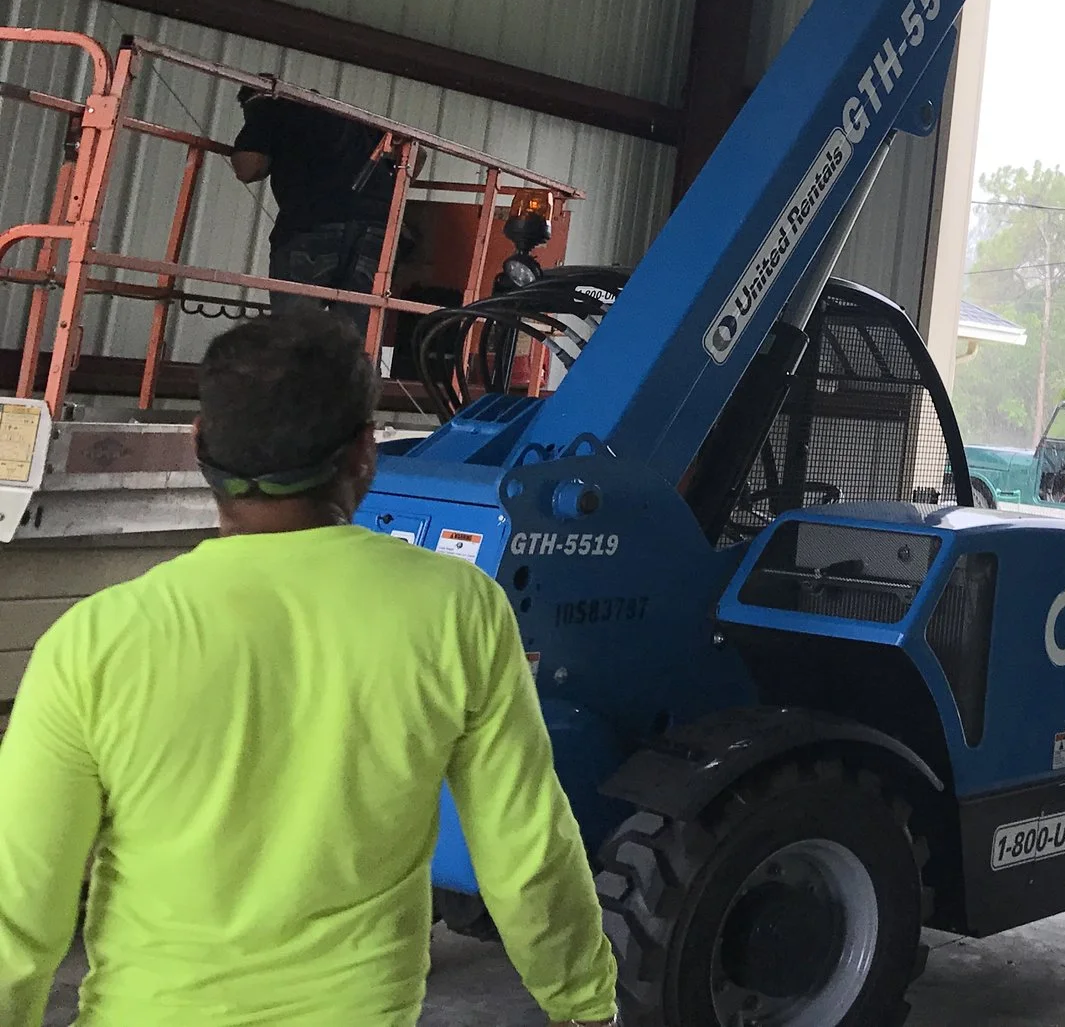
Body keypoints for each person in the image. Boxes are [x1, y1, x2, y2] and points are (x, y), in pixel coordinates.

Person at [0, 314, 616, 1027]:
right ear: (363, 453)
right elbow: (527, 852)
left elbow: (21, 895)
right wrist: (583, 1003)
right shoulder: (456, 611)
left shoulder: (97, 641)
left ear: (199, 444)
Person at [228, 85, 394, 318]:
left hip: (312, 227)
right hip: (376, 235)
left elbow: (250, 167)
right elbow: (416, 157)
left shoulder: (267, 106)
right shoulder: (347, 116)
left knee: (295, 335)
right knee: (356, 341)